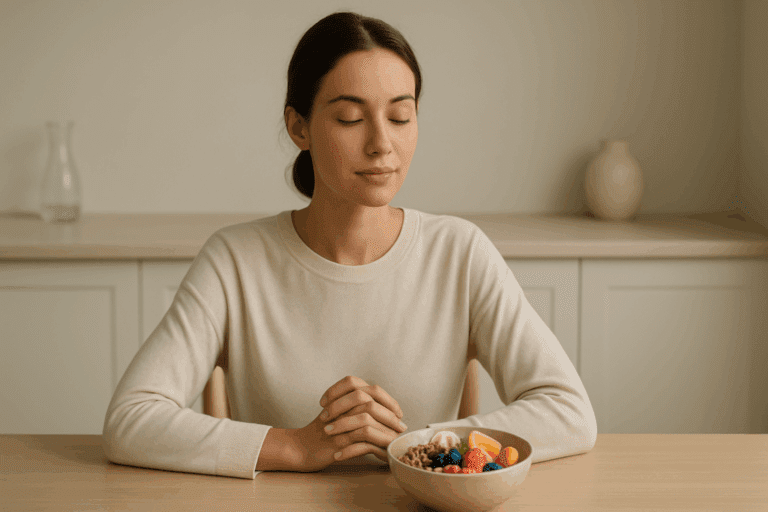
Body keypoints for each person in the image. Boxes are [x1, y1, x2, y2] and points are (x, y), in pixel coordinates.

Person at [102, 11, 597, 479]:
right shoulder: (235, 260)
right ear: (300, 127)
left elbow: (569, 412)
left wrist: (417, 446)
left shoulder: (460, 252)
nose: (382, 143)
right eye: (349, 119)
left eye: (400, 117)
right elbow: (131, 420)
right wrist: (296, 446)